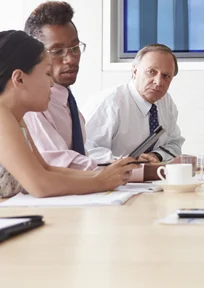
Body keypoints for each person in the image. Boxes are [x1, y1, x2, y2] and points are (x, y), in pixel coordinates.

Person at [0, 30, 137, 198]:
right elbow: (39, 184)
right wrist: (100, 181)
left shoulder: (17, 119)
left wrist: (106, 174)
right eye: (47, 73)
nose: (51, 84)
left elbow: (45, 169)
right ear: (19, 79)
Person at [22, 1, 97, 170]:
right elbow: (61, 163)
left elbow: (79, 158)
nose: (70, 59)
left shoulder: (67, 100)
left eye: (75, 47)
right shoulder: (32, 106)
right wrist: (131, 172)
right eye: (57, 51)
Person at [83, 44, 185, 164]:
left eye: (166, 76)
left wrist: (156, 155)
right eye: (151, 72)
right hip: (110, 178)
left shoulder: (166, 101)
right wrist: (127, 162)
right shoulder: (109, 103)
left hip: (151, 178)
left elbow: (174, 143)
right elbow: (85, 149)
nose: (158, 82)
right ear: (135, 71)